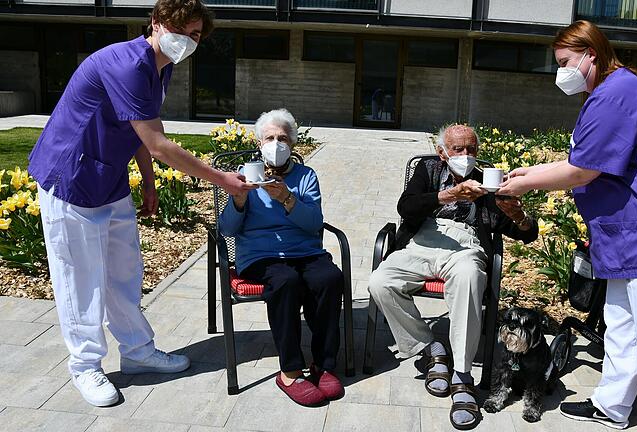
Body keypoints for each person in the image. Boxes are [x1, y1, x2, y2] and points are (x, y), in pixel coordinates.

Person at [496, 20, 637, 432]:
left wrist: (523, 183)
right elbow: (588, 162)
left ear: (591, 56)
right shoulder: (611, 93)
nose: (560, 72)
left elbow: (583, 171)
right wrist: (530, 169)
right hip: (632, 235)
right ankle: (613, 405)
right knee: (620, 321)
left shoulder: (615, 97)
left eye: (565, 62)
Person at [28, 0, 256, 408]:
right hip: (72, 177)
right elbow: (159, 143)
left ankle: (137, 352)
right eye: (182, 29)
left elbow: (138, 130)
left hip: (109, 177)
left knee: (125, 271)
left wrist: (148, 181)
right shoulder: (128, 65)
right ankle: (85, 366)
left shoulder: (160, 68)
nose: (188, 40)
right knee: (81, 280)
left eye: (196, 34)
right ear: (155, 23)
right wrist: (223, 179)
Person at [368, 124, 538, 430]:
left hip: (465, 243)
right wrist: (447, 195)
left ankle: (462, 376)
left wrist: (519, 217)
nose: (465, 155)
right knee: (380, 282)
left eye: (471, 149)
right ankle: (429, 347)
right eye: (458, 149)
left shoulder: (488, 182)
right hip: (422, 240)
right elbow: (405, 207)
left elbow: (525, 234)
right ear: (442, 153)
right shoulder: (427, 169)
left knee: (470, 276)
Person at [219, 108, 345, 407]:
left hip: (305, 250)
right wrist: (238, 200)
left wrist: (288, 198)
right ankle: (290, 370)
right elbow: (226, 229)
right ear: (260, 143)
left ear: (293, 143)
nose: (277, 143)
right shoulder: (244, 177)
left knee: (329, 278)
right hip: (260, 255)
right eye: (270, 138)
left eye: (283, 138)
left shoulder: (305, 176)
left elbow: (314, 224)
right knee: (286, 281)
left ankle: (324, 364)